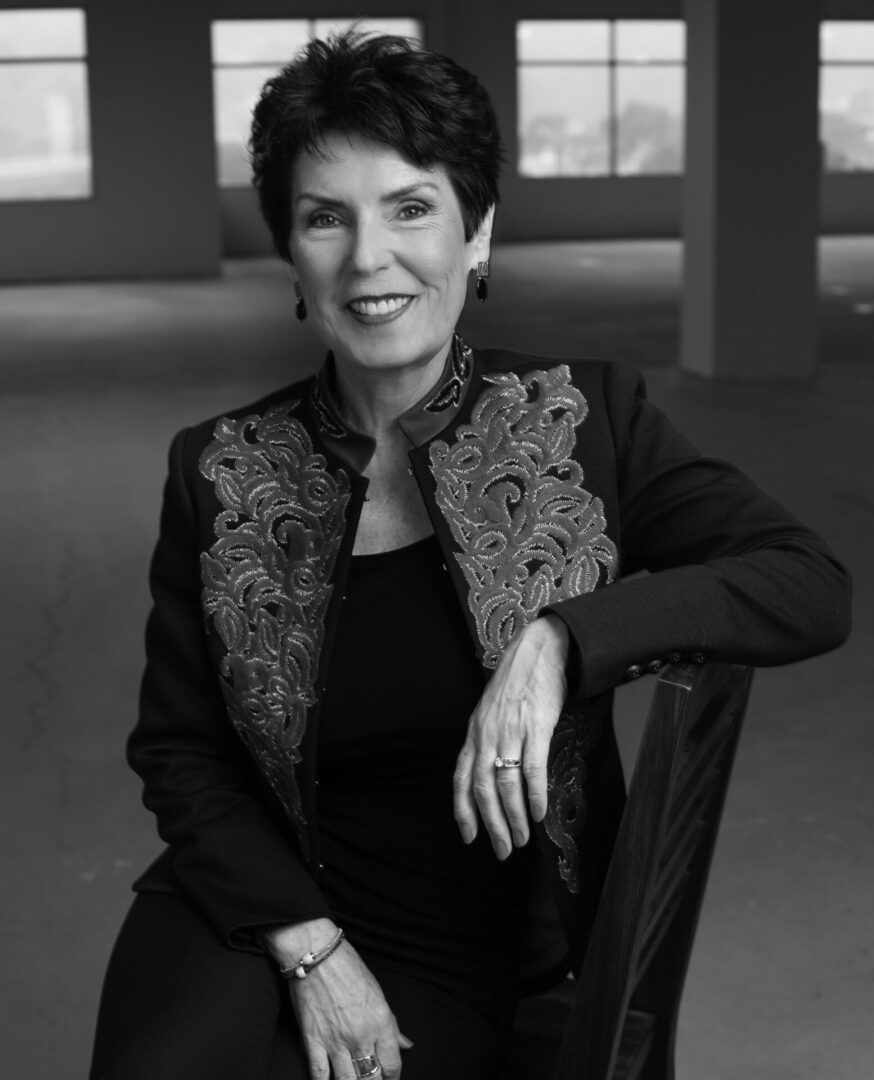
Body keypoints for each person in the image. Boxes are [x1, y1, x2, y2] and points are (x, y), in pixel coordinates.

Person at [89, 30, 851, 1080]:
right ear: (292, 256)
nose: (368, 259)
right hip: (256, 910)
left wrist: (559, 640)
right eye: (325, 218)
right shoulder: (221, 470)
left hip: (468, 952)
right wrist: (312, 950)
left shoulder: (585, 418)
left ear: (476, 234)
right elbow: (179, 754)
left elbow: (805, 586)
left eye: (410, 208)